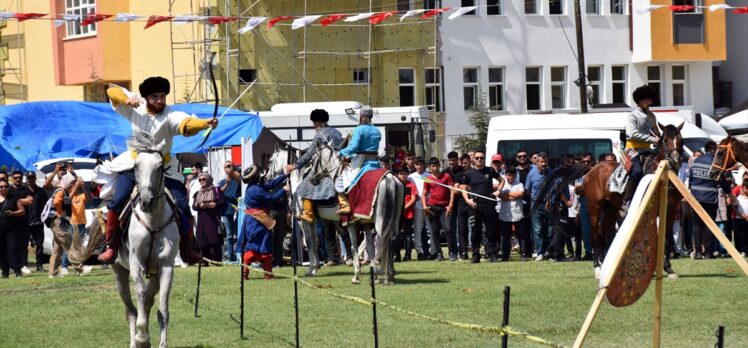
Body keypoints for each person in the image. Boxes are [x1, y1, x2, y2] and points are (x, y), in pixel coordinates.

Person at [98, 76, 216, 265]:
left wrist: (203, 124)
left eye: (162, 96)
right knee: (118, 201)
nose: (160, 101)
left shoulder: (170, 115)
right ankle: (111, 246)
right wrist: (125, 99)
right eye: (154, 97)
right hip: (135, 165)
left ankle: (188, 249)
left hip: (164, 168)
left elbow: (186, 124)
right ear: (146, 97)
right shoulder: (136, 106)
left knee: (182, 206)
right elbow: (111, 90)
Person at [285, 109, 343, 223]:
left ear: (319, 122)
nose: (313, 125)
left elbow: (309, 154)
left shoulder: (320, 134)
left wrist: (295, 166)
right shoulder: (337, 132)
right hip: (338, 166)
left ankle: (308, 213)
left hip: (324, 167)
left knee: (303, 186)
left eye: (314, 122)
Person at [237, 165, 290, 280]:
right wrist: (283, 190)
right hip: (257, 222)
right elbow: (272, 198)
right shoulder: (256, 189)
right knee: (256, 247)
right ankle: (254, 274)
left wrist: (284, 174)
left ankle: (264, 274)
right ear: (256, 177)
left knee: (261, 245)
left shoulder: (253, 187)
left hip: (256, 220)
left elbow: (269, 185)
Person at [688, 141, 732, 259]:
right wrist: (728, 192)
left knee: (696, 225)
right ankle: (708, 252)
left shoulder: (696, 161)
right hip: (710, 198)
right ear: (713, 150)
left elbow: (691, 179)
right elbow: (721, 180)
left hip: (696, 197)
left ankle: (697, 252)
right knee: (709, 224)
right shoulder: (714, 162)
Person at [338, 106, 382, 214]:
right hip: (376, 163)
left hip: (363, 162)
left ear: (362, 116)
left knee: (340, 181)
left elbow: (353, 148)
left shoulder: (359, 129)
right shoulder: (377, 131)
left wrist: (340, 153)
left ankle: (346, 205)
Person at [459, 150, 501, 263]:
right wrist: (468, 200)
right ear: (473, 159)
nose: (479, 160)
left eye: (481, 158)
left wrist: (498, 192)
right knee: (475, 230)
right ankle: (475, 254)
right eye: (477, 158)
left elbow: (502, 180)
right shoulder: (468, 173)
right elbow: (463, 189)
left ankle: (492, 253)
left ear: (484, 159)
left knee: (491, 230)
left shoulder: (490, 170)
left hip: (488, 204)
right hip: (475, 205)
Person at [623, 85, 661, 204]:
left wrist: (658, 134)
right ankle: (627, 199)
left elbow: (656, 133)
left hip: (647, 150)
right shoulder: (632, 115)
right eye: (647, 100)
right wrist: (653, 139)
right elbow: (632, 134)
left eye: (651, 100)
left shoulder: (652, 116)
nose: (650, 102)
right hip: (632, 149)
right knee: (637, 171)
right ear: (640, 100)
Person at [422, 157, 455, 261]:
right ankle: (439, 253)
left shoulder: (446, 176)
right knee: (434, 231)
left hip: (445, 207)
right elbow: (424, 194)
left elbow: (452, 190)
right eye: (432, 166)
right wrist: (424, 206)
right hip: (432, 208)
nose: (434, 168)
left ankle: (451, 252)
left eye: (436, 166)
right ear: (429, 167)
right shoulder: (427, 179)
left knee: (448, 229)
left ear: (439, 166)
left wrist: (450, 205)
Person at [192, 172, 226, 263]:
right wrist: (200, 206)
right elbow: (194, 207)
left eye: (204, 179)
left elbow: (223, 202)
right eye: (200, 180)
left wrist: (214, 204)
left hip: (213, 219)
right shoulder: (197, 193)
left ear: (209, 179)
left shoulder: (216, 190)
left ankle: (216, 261)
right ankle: (204, 261)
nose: (201, 181)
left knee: (214, 240)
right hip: (202, 220)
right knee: (203, 241)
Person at [497, 164, 527, 261]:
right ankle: (506, 255)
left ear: (515, 175)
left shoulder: (520, 184)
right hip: (505, 213)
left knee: (521, 235)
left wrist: (507, 194)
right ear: (505, 175)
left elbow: (521, 194)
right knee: (506, 236)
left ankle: (523, 254)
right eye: (508, 175)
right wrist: (512, 196)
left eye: (512, 175)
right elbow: (501, 196)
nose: (510, 177)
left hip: (517, 213)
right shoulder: (502, 185)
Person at [526, 152, 551, 261]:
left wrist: (549, 200)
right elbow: (527, 189)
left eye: (545, 161)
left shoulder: (552, 173)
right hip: (536, 204)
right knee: (538, 230)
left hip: (549, 204)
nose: (544, 164)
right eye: (541, 162)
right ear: (537, 163)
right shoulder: (531, 174)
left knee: (550, 230)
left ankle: (548, 252)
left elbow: (554, 188)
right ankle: (540, 252)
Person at [8, 171, 32, 275]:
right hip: (11, 222)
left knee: (23, 245)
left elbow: (30, 201)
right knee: (12, 245)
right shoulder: (8, 190)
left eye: (20, 178)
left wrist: (16, 201)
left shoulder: (26, 189)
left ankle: (24, 265)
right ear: (12, 178)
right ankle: (12, 266)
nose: (18, 179)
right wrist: (22, 201)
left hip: (24, 221)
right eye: (16, 178)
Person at [0, 179, 25, 278]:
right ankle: (5, 272)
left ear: (8, 187)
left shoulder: (13, 198)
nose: (3, 188)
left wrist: (13, 213)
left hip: (12, 229)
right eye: (1, 187)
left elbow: (22, 211)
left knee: (13, 248)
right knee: (1, 250)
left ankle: (17, 271)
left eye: (5, 186)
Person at [408, 157, 432, 260]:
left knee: (431, 229)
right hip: (417, 206)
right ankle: (419, 251)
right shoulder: (411, 177)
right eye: (417, 164)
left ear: (424, 165)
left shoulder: (429, 176)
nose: (419, 166)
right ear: (415, 165)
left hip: (429, 206)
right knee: (417, 229)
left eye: (421, 164)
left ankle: (433, 251)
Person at [218, 162, 241, 263]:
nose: (227, 169)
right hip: (227, 210)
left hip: (238, 209)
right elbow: (219, 193)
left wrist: (234, 172)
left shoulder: (236, 179)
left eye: (229, 166)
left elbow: (241, 182)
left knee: (237, 233)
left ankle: (237, 253)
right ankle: (230, 255)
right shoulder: (222, 182)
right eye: (225, 167)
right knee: (229, 234)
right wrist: (226, 184)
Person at [25, 171, 47, 272]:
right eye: (29, 178)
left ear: (35, 178)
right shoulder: (23, 191)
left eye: (32, 177)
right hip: (26, 222)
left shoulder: (41, 191)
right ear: (27, 179)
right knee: (24, 244)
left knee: (39, 244)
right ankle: (24, 265)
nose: (31, 179)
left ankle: (39, 265)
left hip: (38, 221)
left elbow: (46, 206)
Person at [394, 168, 416, 261]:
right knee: (397, 235)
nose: (403, 176)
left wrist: (404, 208)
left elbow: (413, 199)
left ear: (407, 175)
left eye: (404, 174)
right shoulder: (395, 185)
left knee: (408, 235)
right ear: (398, 175)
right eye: (401, 174)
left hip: (408, 214)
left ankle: (408, 255)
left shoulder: (411, 185)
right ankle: (397, 255)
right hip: (397, 215)